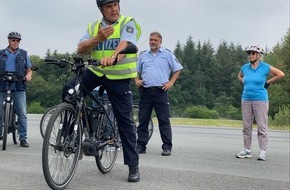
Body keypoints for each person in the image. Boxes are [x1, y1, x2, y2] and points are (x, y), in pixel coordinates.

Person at [62, 0, 141, 182]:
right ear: (101, 9)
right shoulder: (93, 26)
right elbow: (81, 48)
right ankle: (70, 135)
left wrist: (113, 56)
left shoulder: (128, 22)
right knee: (69, 91)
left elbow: (126, 43)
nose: (114, 9)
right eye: (108, 6)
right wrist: (97, 38)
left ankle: (133, 165)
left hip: (119, 77)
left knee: (125, 120)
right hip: (96, 71)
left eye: (115, 4)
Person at [135, 32, 183, 156]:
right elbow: (135, 70)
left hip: (161, 91)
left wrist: (171, 82)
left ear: (160, 42)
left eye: (155, 40)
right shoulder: (143, 55)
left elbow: (177, 69)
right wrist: (136, 80)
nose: (153, 42)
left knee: (164, 120)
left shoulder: (167, 54)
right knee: (143, 119)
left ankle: (167, 146)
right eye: (151, 40)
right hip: (145, 91)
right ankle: (141, 145)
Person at [236, 44, 285, 161]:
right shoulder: (245, 67)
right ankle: (247, 150)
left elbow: (281, 74)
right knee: (246, 126)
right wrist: (244, 82)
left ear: (259, 55)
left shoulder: (265, 67)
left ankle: (263, 151)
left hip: (260, 99)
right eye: (249, 53)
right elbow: (239, 76)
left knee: (261, 126)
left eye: (253, 53)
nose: (250, 55)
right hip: (246, 98)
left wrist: (268, 82)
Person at [0, 32, 33, 147]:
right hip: (3, 85)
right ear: (8, 41)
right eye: (13, 40)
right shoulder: (1, 53)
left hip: (19, 86)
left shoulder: (24, 54)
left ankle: (23, 138)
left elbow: (29, 69)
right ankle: (0, 133)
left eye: (17, 41)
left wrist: (29, 75)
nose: (15, 42)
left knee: (22, 113)